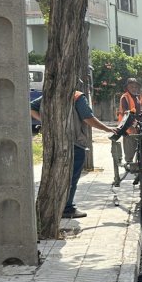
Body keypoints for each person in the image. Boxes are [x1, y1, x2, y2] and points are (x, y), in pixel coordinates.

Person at [30, 86, 119, 220]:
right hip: (74, 142)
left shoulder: (52, 93)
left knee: (56, 174)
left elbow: (31, 107)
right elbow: (88, 118)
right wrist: (107, 129)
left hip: (55, 141)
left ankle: (54, 206)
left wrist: (46, 122)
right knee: (72, 176)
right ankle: (67, 208)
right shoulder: (77, 96)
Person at [117, 77, 142, 178]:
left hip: (135, 125)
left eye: (136, 87)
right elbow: (126, 113)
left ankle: (134, 165)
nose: (134, 88)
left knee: (136, 146)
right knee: (129, 146)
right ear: (127, 87)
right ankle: (129, 164)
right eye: (132, 86)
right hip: (127, 126)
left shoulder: (136, 97)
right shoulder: (125, 97)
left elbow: (138, 109)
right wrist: (132, 125)